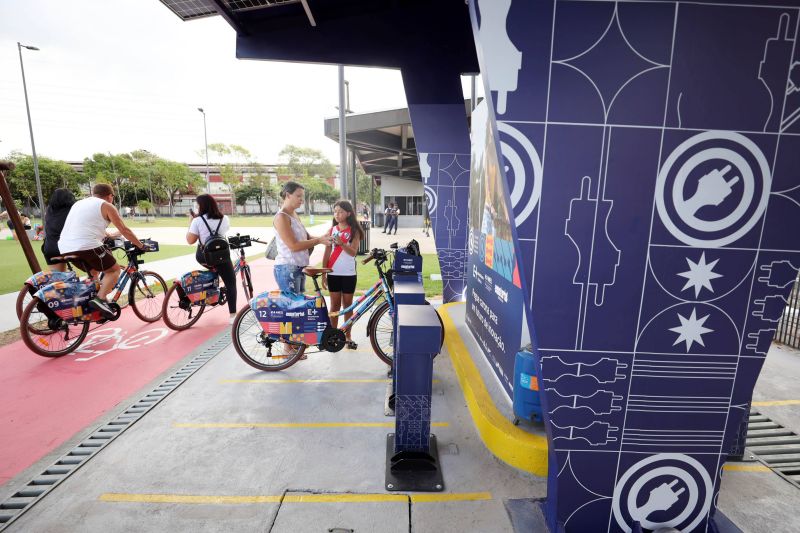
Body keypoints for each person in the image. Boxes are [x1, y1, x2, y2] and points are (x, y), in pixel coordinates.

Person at [58, 183, 144, 318]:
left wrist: (109, 235)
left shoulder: (79, 204)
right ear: (110, 196)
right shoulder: (107, 206)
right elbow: (124, 229)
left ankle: (94, 310)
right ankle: (101, 299)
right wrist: (140, 245)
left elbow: (86, 226)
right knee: (114, 270)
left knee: (94, 272)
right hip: (87, 245)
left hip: (64, 247)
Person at [273, 181, 332, 294]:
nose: (302, 200)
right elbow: (293, 246)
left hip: (299, 267)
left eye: (302, 196)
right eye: (298, 196)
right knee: (292, 309)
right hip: (288, 267)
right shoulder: (282, 217)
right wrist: (319, 240)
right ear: (288, 195)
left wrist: (323, 239)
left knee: (298, 307)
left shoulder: (294, 215)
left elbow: (307, 237)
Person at [186, 194, 238, 323]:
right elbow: (224, 232)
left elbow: (190, 240)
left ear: (201, 206)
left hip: (204, 257)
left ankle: (212, 283)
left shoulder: (197, 221)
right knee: (231, 283)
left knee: (214, 269)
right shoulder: (224, 218)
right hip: (221, 256)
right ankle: (233, 316)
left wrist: (190, 222)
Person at [322, 200, 363, 349]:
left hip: (349, 274)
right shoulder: (332, 230)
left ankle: (347, 335)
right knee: (334, 305)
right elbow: (327, 252)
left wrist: (341, 243)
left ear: (348, 213)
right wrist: (323, 273)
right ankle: (333, 335)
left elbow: (353, 252)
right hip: (333, 273)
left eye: (340, 211)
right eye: (335, 212)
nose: (337, 214)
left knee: (347, 306)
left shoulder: (354, 231)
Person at [41, 188, 76, 272]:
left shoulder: (49, 209)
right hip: (66, 247)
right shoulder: (72, 210)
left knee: (58, 277)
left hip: (49, 248)